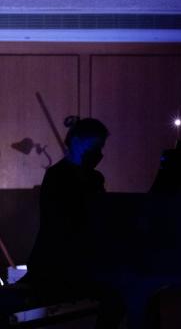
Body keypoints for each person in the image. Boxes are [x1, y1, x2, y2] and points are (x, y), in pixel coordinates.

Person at [19, 116, 126, 329]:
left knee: (125, 286)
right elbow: (65, 227)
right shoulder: (56, 176)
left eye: (101, 146)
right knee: (118, 286)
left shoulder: (95, 178)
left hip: (82, 260)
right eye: (95, 145)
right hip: (56, 264)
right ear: (76, 142)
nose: (99, 151)